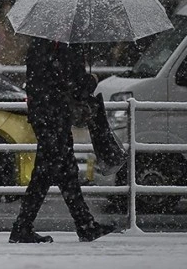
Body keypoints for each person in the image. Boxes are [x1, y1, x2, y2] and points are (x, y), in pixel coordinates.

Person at [9, 36, 116, 243]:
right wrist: (91, 80)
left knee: (65, 172)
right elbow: (75, 85)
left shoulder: (40, 45)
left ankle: (85, 225)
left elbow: (45, 82)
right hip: (54, 117)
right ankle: (23, 227)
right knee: (47, 173)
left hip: (46, 116)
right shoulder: (61, 49)